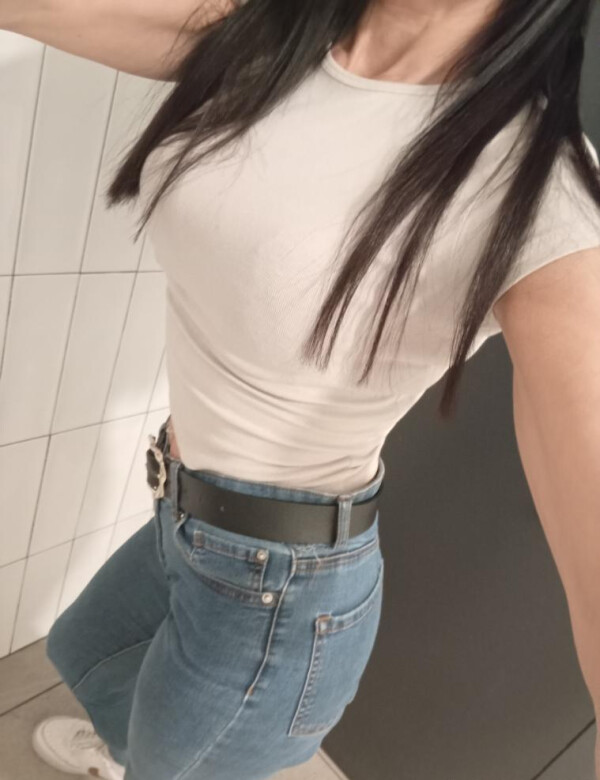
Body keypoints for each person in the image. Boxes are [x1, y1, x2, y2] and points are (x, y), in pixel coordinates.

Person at [3, 0, 600, 778]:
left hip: (278, 584)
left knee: (166, 756)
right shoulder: (268, 40)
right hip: (183, 512)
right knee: (86, 649)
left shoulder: (539, 185)